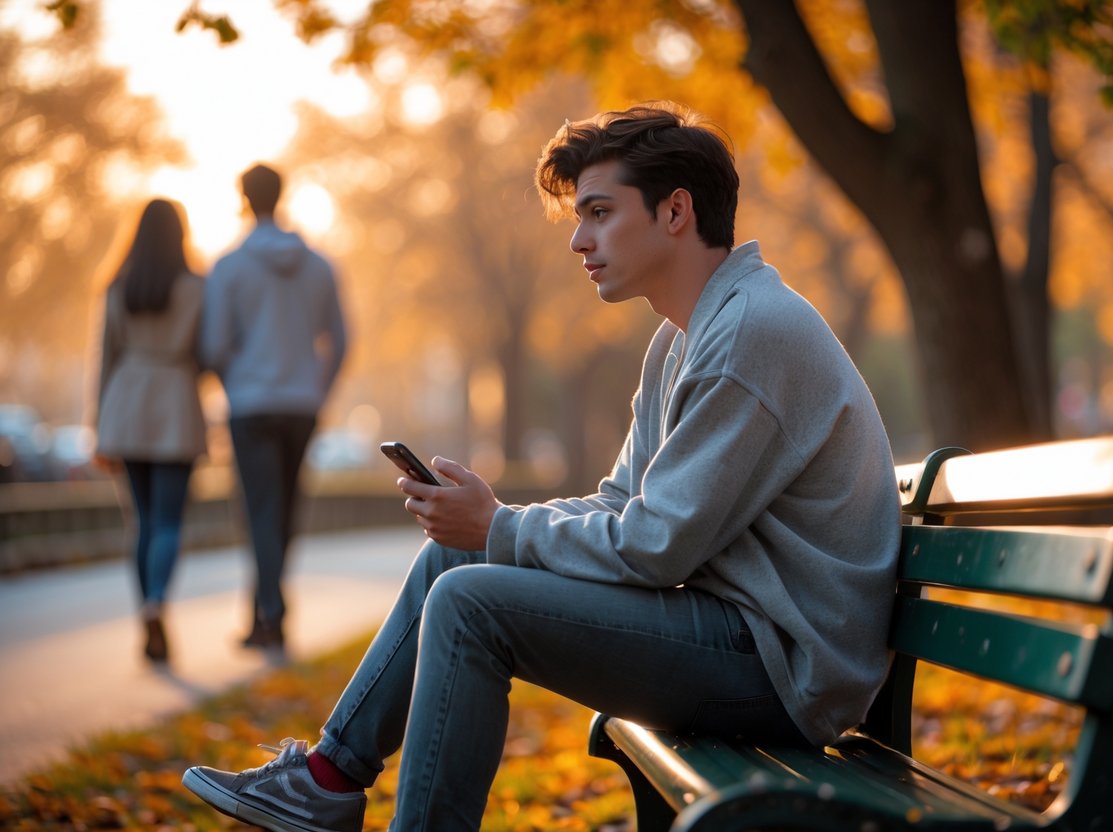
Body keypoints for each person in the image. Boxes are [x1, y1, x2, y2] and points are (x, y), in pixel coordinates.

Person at [183, 103, 901, 832]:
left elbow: (655, 546)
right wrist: (490, 525)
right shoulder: (684, 338)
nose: (579, 241)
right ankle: (328, 779)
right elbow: (624, 500)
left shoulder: (749, 334)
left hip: (784, 669)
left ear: (675, 210)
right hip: (740, 633)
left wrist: (503, 526)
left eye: (598, 212)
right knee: (451, 564)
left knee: (471, 604)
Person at [200, 163, 348, 651]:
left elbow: (215, 346)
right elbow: (341, 340)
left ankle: (271, 614)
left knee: (258, 510)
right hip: (301, 403)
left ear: (243, 198)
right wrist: (317, 390)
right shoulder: (319, 265)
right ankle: (265, 611)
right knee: (283, 510)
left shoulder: (228, 266)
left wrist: (234, 384)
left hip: (250, 404)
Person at [92, 198, 207, 664]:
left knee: (140, 521)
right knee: (168, 520)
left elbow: (104, 358)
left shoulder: (117, 286)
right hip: (175, 402)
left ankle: (145, 607)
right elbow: (208, 350)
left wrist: (97, 426)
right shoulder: (196, 286)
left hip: (124, 403)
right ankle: (158, 599)